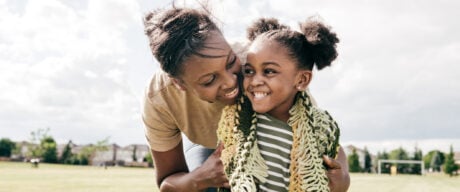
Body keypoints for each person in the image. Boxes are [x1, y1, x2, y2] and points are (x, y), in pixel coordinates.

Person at [142, 6, 349, 192]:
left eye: (231, 62)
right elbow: (168, 183)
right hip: (207, 147)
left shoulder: (256, 63)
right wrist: (199, 179)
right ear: (180, 84)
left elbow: (315, 132)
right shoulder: (160, 97)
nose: (231, 82)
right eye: (209, 80)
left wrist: (343, 176)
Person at [217, 17, 349, 192]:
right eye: (249, 71)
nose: (255, 81)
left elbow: (336, 153)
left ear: (302, 80)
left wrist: (343, 179)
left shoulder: (317, 126)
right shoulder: (238, 121)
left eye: (269, 71)